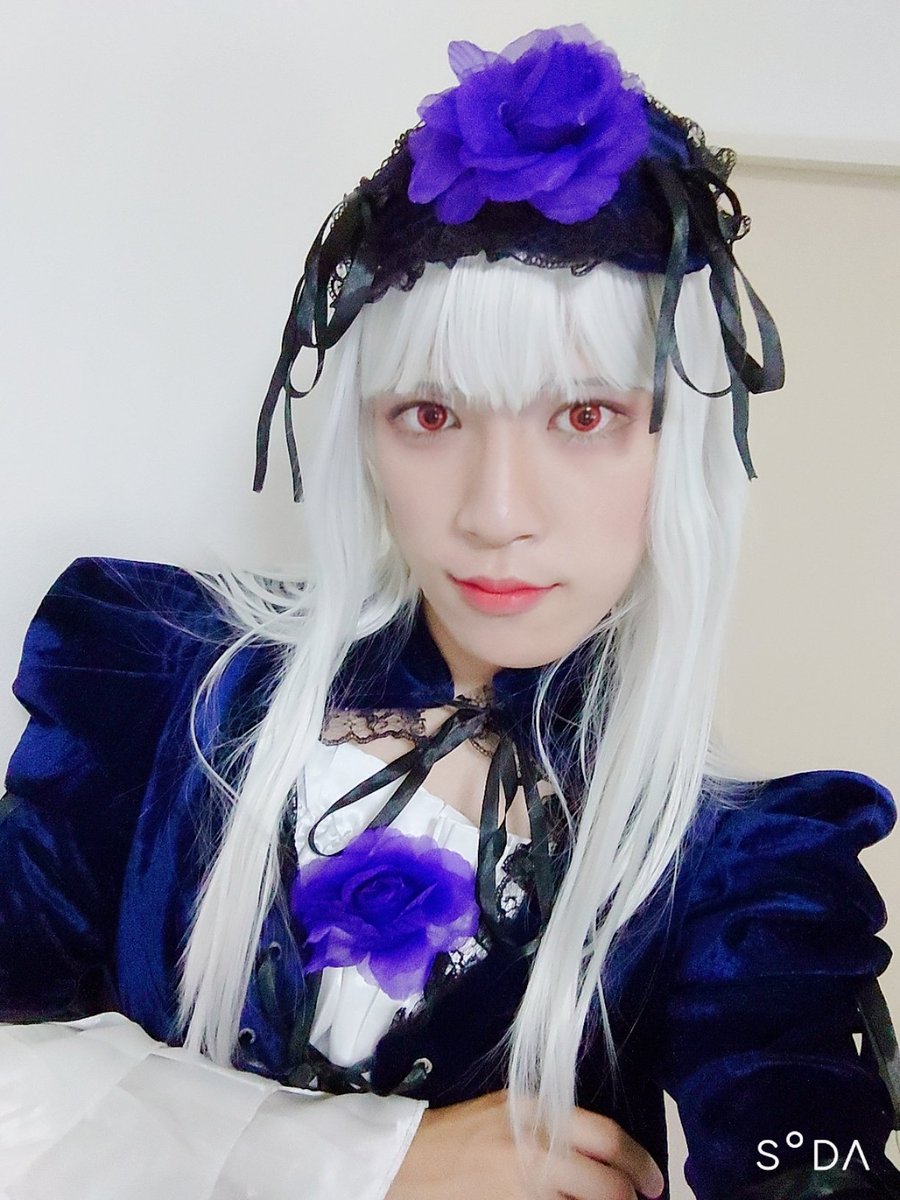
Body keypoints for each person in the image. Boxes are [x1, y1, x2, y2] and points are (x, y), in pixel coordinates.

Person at [1, 23, 898, 1200]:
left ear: (677, 445)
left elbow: (810, 1157)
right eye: (430, 416)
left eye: (584, 417)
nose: (496, 513)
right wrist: (367, 1163)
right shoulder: (158, 679)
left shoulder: (737, 863)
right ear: (365, 432)